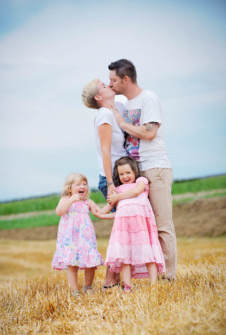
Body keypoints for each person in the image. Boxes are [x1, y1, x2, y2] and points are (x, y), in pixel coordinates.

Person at [107, 59, 177, 281]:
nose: (110, 84)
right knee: (147, 225)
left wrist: (121, 122)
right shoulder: (126, 104)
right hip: (139, 172)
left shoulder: (149, 99)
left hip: (155, 167)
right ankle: (151, 275)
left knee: (162, 224)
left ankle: (168, 277)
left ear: (125, 79)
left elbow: (149, 133)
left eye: (113, 80)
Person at [81, 79, 127, 289]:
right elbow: (106, 151)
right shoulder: (104, 115)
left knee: (124, 224)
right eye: (103, 85)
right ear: (98, 97)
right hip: (112, 177)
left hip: (120, 174)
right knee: (123, 226)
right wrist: (110, 184)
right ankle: (110, 280)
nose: (108, 84)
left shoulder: (116, 109)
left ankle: (114, 279)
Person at [96, 156, 165, 293]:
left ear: (135, 171)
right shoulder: (118, 190)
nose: (125, 176)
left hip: (141, 227)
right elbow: (108, 210)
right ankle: (127, 285)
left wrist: (116, 197)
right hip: (123, 228)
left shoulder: (141, 181)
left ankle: (154, 283)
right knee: (124, 256)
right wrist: (96, 211)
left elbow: (135, 192)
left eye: (128, 172)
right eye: (121, 174)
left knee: (147, 253)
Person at [52, 172, 112, 296]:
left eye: (84, 184)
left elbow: (100, 212)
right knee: (72, 265)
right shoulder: (65, 199)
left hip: (86, 238)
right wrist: (72, 199)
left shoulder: (87, 202)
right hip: (70, 239)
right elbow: (59, 211)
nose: (82, 186)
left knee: (90, 264)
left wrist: (112, 203)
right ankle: (74, 290)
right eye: (78, 184)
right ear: (69, 188)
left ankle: (88, 286)